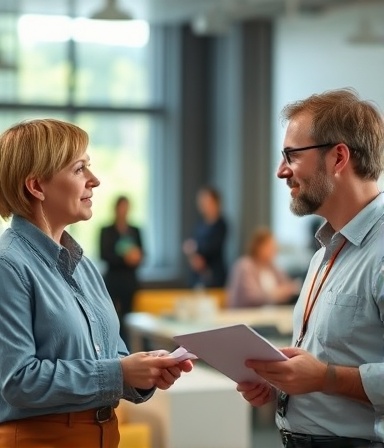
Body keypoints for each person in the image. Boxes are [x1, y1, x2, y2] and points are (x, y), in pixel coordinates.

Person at [0, 118, 193, 448]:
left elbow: (113, 356)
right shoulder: (9, 265)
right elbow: (17, 381)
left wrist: (144, 371)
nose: (95, 180)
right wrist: (120, 373)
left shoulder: (84, 267)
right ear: (36, 186)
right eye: (79, 170)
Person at [236, 88, 384, 447]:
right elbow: (329, 360)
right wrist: (283, 381)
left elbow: (325, 373)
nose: (280, 171)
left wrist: (324, 379)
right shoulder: (323, 254)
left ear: (338, 157)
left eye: (291, 155)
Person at [100, 195, 143, 348]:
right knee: (110, 317)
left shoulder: (135, 231)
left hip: (129, 281)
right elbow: (104, 255)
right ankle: (111, 347)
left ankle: (128, 349)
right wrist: (125, 258)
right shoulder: (106, 231)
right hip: (113, 280)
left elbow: (143, 254)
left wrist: (136, 257)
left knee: (128, 318)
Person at [227, 226, 300, 308]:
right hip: (245, 315)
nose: (274, 249)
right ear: (259, 247)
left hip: (268, 314)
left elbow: (288, 287)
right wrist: (276, 294)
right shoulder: (245, 266)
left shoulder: (272, 267)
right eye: (270, 246)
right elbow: (253, 297)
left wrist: (285, 291)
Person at [182, 186, 228, 288]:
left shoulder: (221, 225)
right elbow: (189, 245)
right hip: (197, 275)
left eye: (206, 201)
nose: (203, 205)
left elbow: (211, 247)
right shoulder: (199, 224)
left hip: (214, 275)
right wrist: (194, 257)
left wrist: (195, 248)